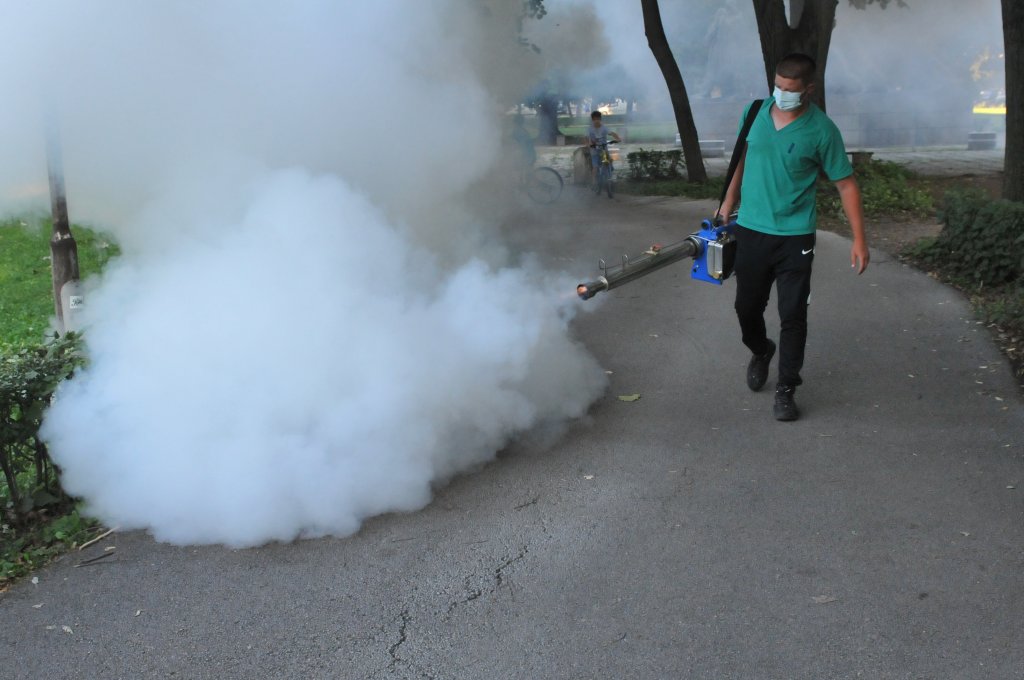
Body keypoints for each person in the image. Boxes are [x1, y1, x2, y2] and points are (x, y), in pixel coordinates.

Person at [717, 53, 869, 422]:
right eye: (778, 86)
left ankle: (786, 389)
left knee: (793, 314)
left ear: (808, 90)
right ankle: (761, 349)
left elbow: (846, 185)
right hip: (751, 229)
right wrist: (727, 204)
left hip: (795, 236)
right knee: (746, 308)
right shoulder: (754, 112)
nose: (781, 94)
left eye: (789, 89)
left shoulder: (822, 131)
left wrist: (859, 239)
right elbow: (740, 159)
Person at [586, 110, 621, 183]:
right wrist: (588, 144)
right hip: (594, 150)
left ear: (600, 119)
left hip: (604, 149)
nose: (596, 121)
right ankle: (593, 182)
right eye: (595, 119)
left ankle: (609, 175)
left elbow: (612, 133)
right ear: (592, 120)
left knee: (608, 161)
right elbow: (586, 138)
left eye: (598, 119)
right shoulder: (589, 129)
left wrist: (618, 138)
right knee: (595, 167)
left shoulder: (604, 128)